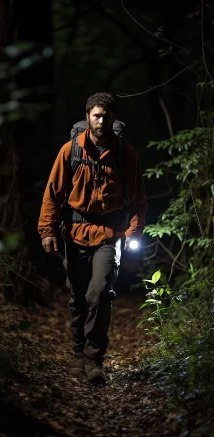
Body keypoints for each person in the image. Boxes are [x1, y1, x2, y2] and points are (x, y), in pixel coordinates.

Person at [38, 92, 147, 384]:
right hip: (74, 233)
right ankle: (77, 354)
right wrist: (47, 230)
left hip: (109, 236)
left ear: (113, 118)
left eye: (106, 116)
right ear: (87, 117)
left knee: (99, 291)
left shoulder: (126, 154)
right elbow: (53, 193)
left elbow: (138, 200)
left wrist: (132, 233)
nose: (101, 121)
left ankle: (93, 359)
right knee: (78, 298)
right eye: (96, 115)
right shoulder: (70, 151)